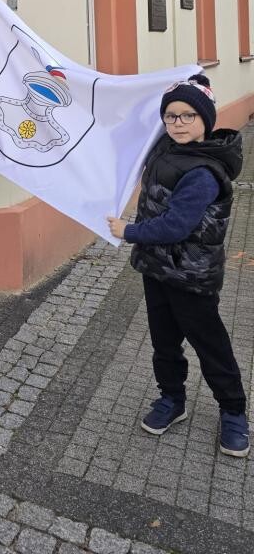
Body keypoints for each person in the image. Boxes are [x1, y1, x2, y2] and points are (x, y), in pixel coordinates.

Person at [107, 74, 249, 458]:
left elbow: (176, 225)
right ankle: (172, 398)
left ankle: (234, 411)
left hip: (191, 276)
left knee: (210, 344)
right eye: (171, 116)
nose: (179, 123)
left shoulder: (203, 172)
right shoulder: (165, 149)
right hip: (158, 270)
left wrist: (129, 230)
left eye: (188, 115)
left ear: (206, 118)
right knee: (164, 342)